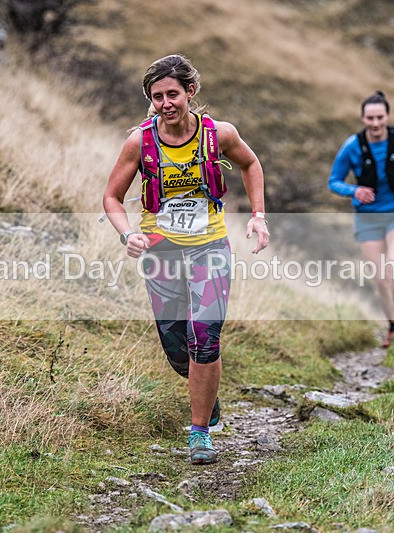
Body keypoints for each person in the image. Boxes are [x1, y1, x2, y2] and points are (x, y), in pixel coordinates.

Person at [103, 54, 269, 465]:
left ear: (190, 92)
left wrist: (259, 217)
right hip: (160, 251)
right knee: (178, 349)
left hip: (209, 246)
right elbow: (111, 198)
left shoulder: (220, 134)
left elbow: (250, 164)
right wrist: (128, 234)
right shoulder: (139, 142)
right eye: (157, 96)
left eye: (173, 94)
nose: (166, 103)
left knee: (205, 337)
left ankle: (200, 435)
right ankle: (205, 399)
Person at [328, 91, 394, 348]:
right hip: (368, 219)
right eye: (370, 118)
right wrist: (354, 191)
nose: (375, 123)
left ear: (387, 116)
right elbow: (334, 182)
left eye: (380, 117)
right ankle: (393, 326)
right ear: (362, 117)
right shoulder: (352, 146)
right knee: (381, 278)